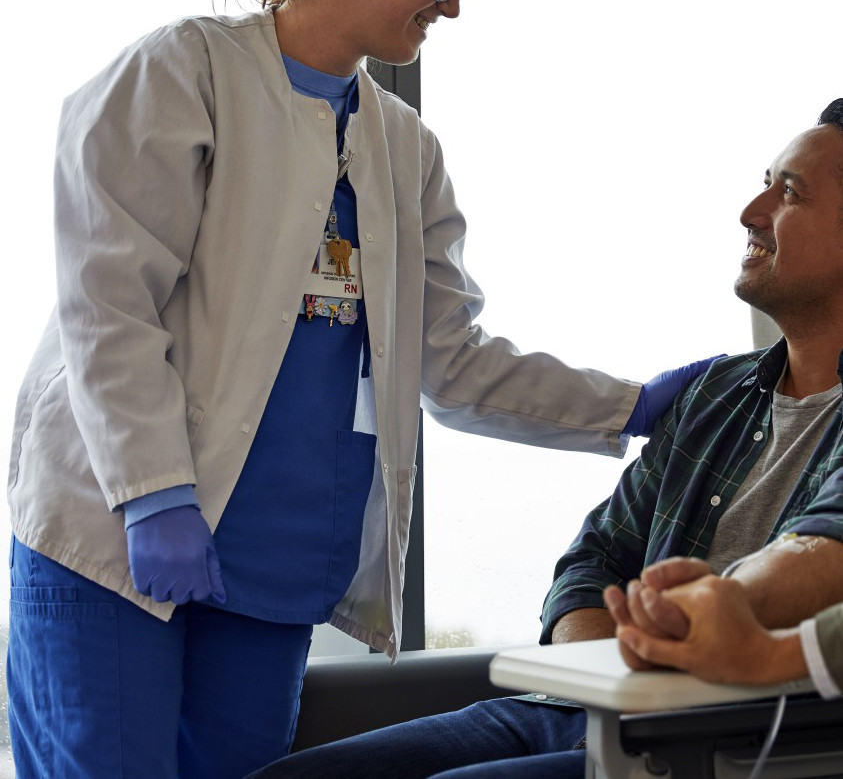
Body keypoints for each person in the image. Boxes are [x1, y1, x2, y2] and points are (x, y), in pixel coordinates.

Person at [4, 0, 706, 779]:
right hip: (118, 535)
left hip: (273, 558)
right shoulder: (183, 73)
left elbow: (448, 361)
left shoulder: (403, 151)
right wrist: (153, 493)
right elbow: (107, 305)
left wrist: (632, 407)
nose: (453, 6)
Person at [247, 99, 843, 779]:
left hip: (732, 733)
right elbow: (590, 563)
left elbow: (826, 546)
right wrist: (613, 679)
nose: (750, 210)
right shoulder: (714, 393)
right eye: (764, 180)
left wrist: (694, 632)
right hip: (576, 707)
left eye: (788, 191)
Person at [609, 550, 843, 697]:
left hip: (714, 720)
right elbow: (591, 557)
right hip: (599, 704)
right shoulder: (664, 469)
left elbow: (829, 530)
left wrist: (770, 655)